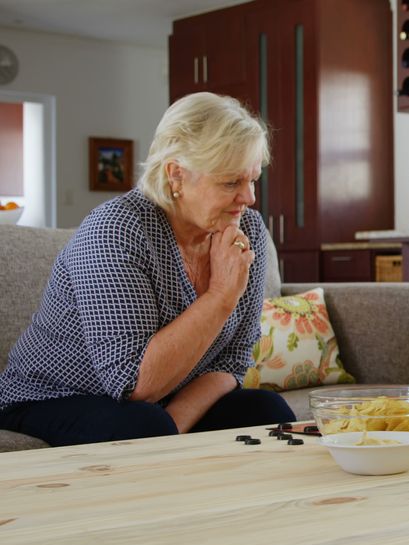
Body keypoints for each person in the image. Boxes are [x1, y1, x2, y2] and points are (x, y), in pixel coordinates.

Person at [0, 92, 296, 446]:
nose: (248, 198)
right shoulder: (117, 230)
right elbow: (132, 383)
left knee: (269, 412)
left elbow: (234, 360)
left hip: (164, 402)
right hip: (53, 396)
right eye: (231, 182)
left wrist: (175, 424)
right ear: (176, 175)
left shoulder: (247, 230)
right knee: (144, 426)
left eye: (253, 179)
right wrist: (220, 296)